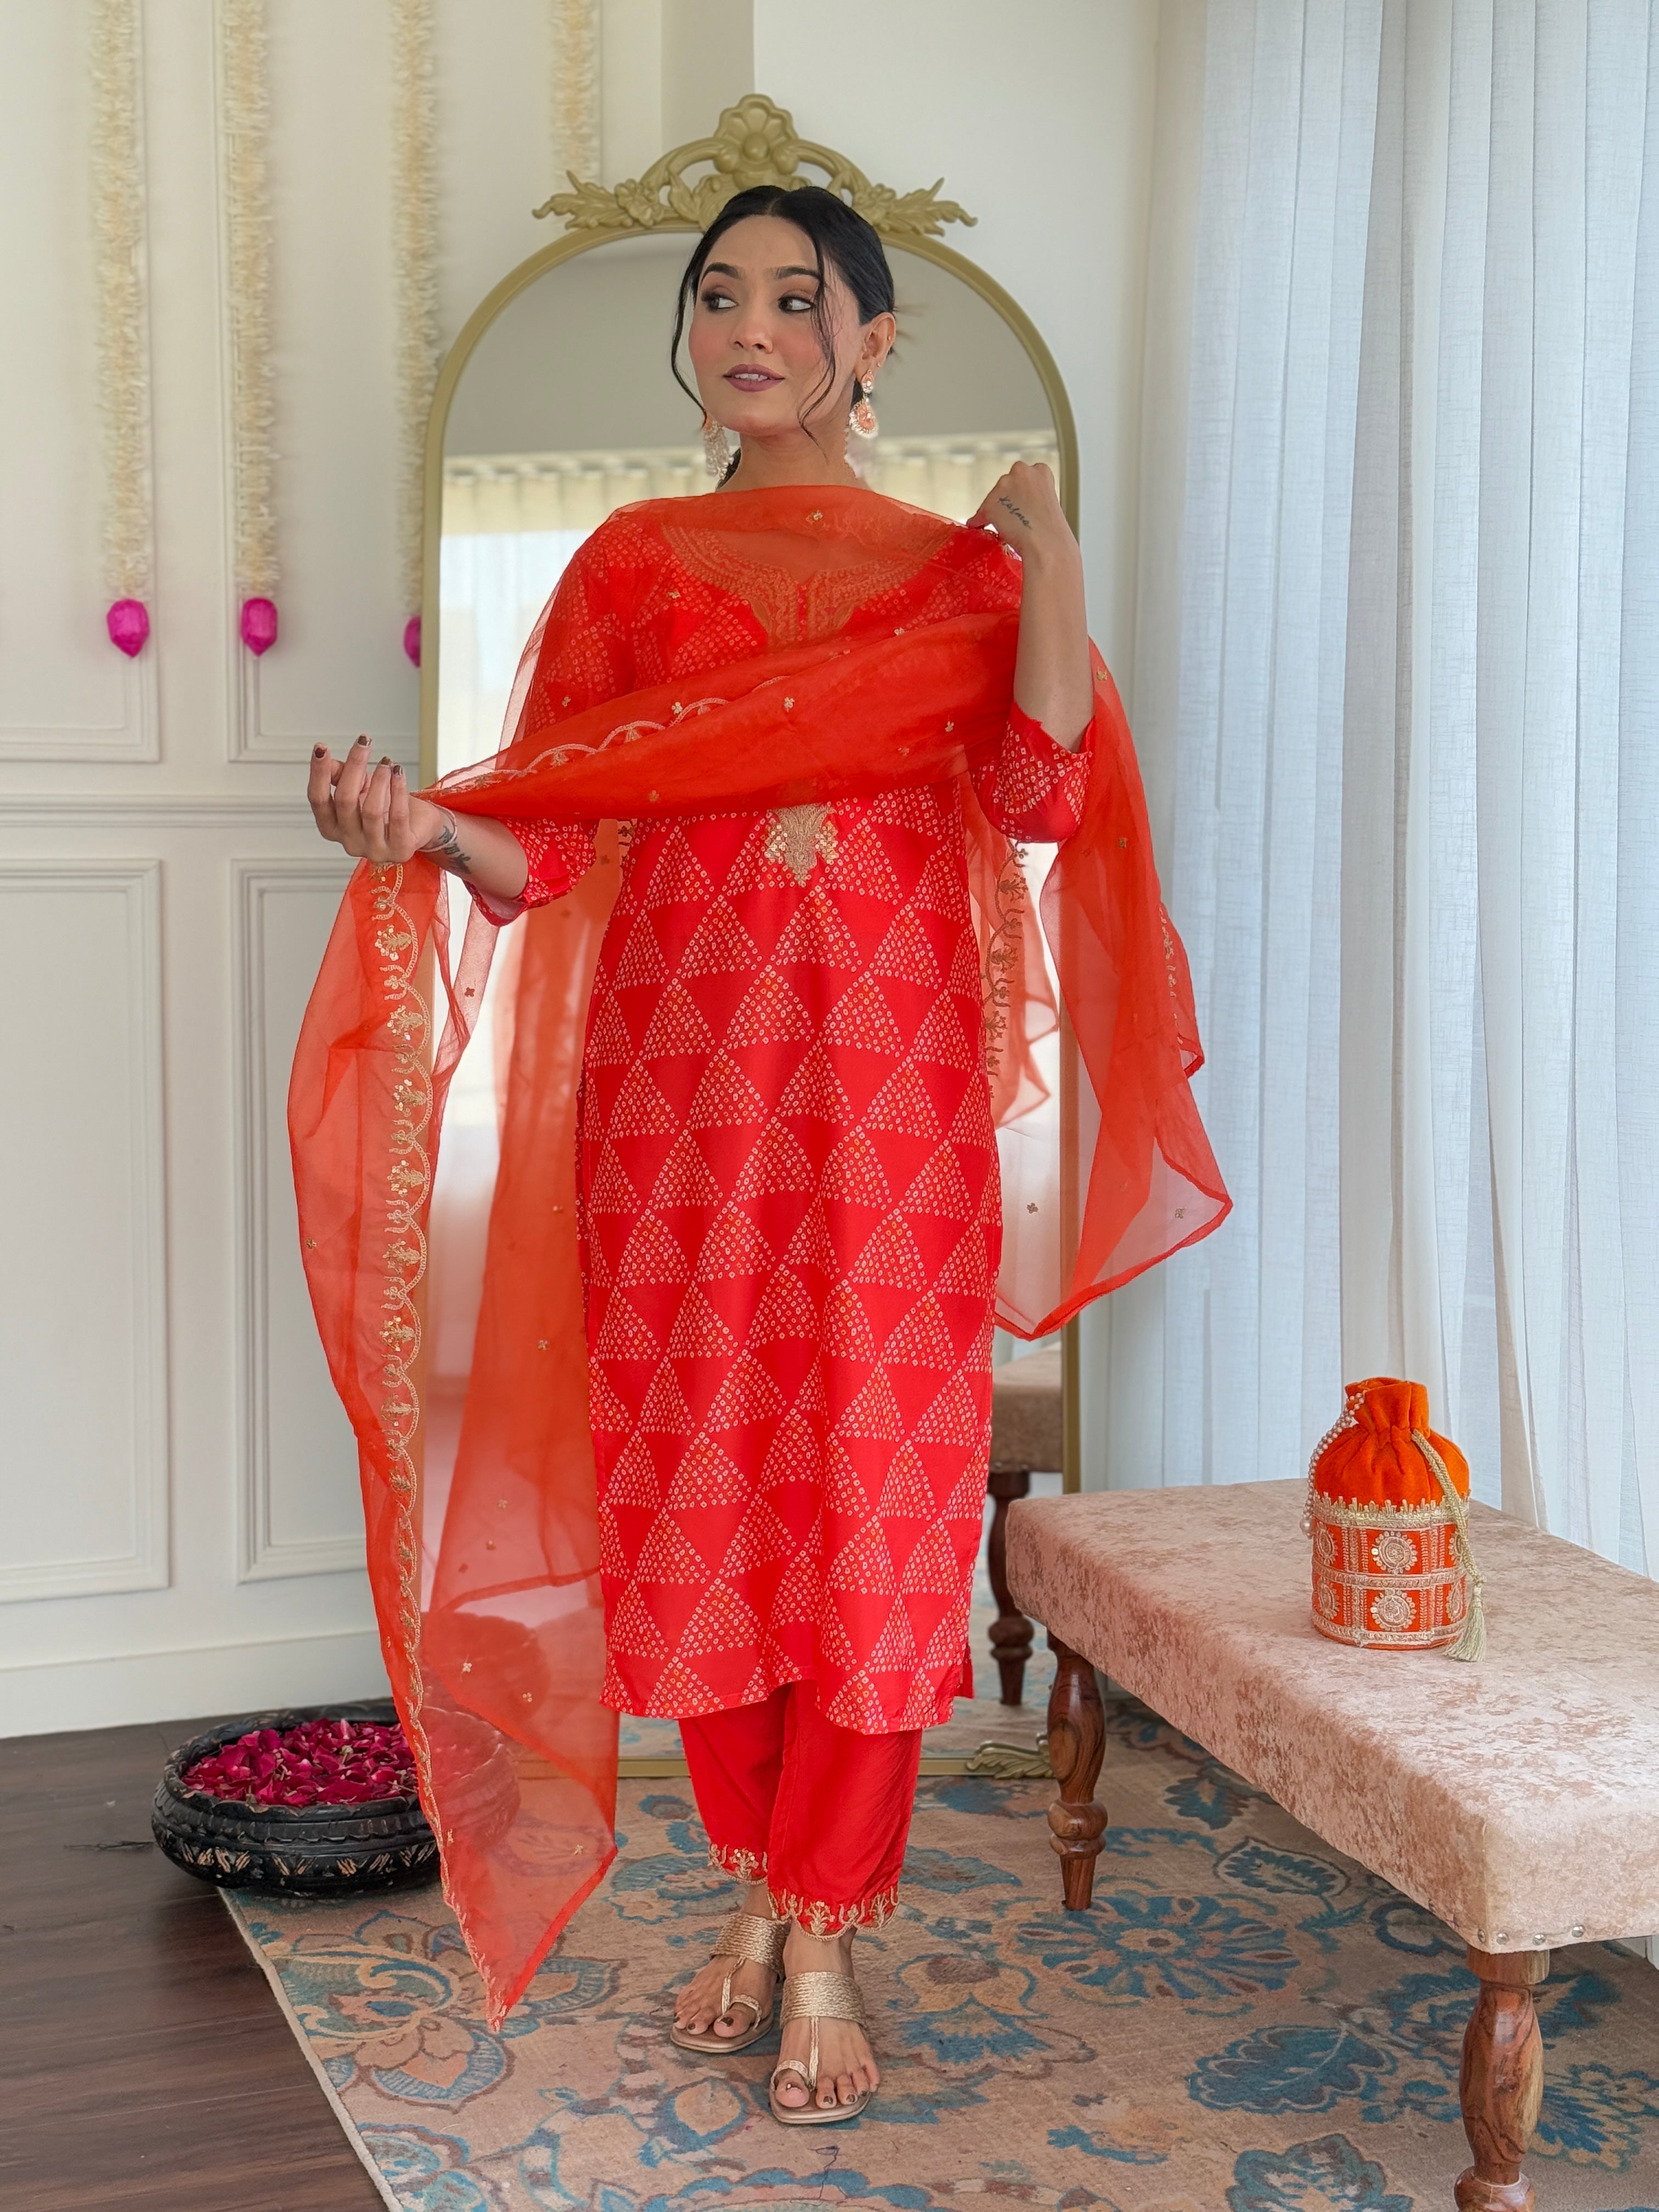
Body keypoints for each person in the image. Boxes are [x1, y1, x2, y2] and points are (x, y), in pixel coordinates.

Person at [296, 184, 1226, 2126]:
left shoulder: (963, 580)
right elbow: (544, 839)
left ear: (872, 343)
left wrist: (1041, 528)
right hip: (678, 1110)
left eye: (797, 299)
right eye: (718, 297)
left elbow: (1052, 786)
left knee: (874, 1517)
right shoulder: (633, 569)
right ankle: (747, 1897)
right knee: (704, 1494)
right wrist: (418, 836)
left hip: (886, 1117)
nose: (749, 326)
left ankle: (826, 1935)